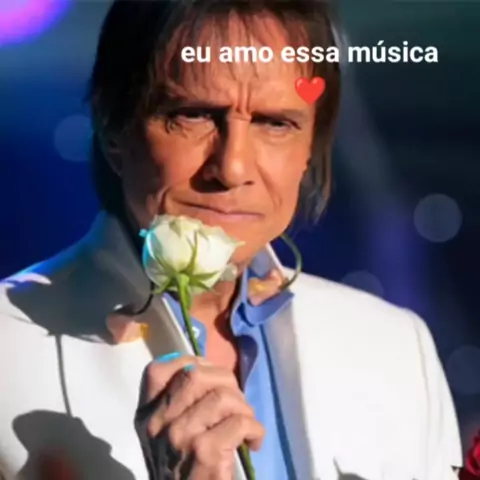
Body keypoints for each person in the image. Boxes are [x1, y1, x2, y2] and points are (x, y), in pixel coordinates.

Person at [0, 0, 463, 479]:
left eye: (275, 123)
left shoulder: (395, 345)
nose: (232, 167)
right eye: (194, 115)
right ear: (114, 125)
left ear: (310, 147)